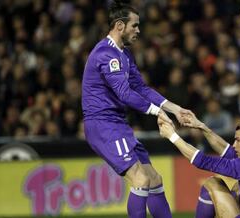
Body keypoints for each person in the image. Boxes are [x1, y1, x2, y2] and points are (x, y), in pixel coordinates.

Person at [81, 1, 191, 217]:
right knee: (140, 180)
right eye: (135, 25)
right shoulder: (106, 54)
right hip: (103, 125)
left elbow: (140, 88)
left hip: (118, 124)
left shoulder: (124, 54)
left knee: (154, 179)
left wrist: (175, 109)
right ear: (120, 26)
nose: (139, 31)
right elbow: (124, 93)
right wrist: (156, 111)